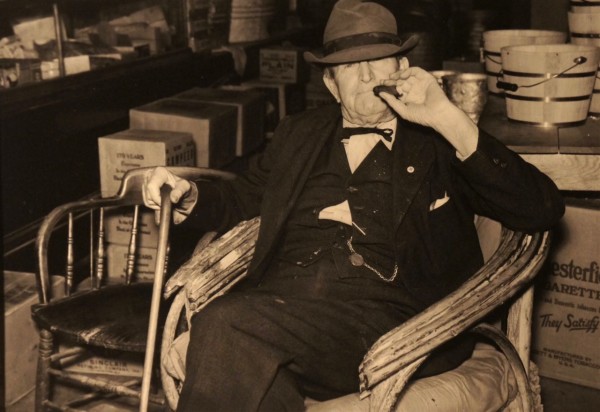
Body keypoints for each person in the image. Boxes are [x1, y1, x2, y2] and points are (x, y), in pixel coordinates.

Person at [144, 1, 564, 410]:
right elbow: (244, 196)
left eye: (379, 60)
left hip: (393, 323)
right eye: (349, 66)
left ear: (402, 68)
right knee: (244, 358)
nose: (365, 76)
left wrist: (447, 118)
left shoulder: (437, 138)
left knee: (224, 323)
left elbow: (540, 207)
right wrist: (189, 193)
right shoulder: (298, 133)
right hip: (281, 309)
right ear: (331, 83)